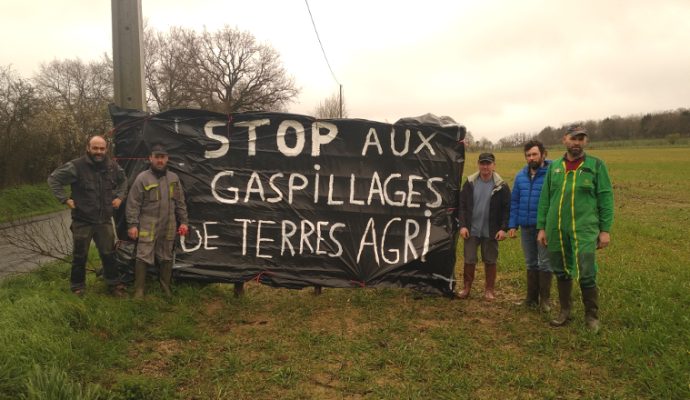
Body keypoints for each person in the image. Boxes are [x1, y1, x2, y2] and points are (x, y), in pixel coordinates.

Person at [537, 124, 614, 332]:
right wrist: (542, 228)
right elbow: (545, 199)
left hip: (585, 228)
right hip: (556, 229)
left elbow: (605, 197)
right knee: (561, 270)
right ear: (565, 140)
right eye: (573, 138)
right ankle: (565, 311)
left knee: (586, 271)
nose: (577, 143)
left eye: (581, 139)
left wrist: (605, 230)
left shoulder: (596, 166)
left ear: (585, 142)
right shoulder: (554, 168)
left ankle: (591, 317)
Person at [47, 135, 128, 297]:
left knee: (109, 254)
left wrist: (119, 197)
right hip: (82, 221)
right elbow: (53, 179)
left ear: (106, 149)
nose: (99, 151)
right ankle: (77, 288)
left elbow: (123, 180)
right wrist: (65, 199)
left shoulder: (112, 166)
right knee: (79, 256)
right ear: (88, 148)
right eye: (95, 148)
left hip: (104, 220)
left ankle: (114, 285)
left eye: (102, 148)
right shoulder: (76, 166)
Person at [126, 144, 189, 298]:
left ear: (167, 159)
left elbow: (180, 202)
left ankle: (165, 286)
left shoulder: (174, 178)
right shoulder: (142, 178)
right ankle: (139, 290)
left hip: (169, 224)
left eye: (163, 157)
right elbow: (133, 203)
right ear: (150, 158)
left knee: (167, 255)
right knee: (143, 255)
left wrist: (184, 222)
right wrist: (132, 225)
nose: (160, 161)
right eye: (157, 157)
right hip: (148, 223)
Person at [457, 152, 511, 300]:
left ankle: (489, 290)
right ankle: (466, 288)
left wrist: (503, 228)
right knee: (469, 259)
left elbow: (507, 209)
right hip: (471, 229)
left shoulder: (502, 186)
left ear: (494, 165)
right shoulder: (469, 183)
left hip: (491, 231)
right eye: (482, 163)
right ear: (478, 165)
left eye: (488, 163)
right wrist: (462, 225)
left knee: (490, 260)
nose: (485, 166)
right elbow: (461, 206)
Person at [508, 140, 553, 312]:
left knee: (545, 262)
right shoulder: (520, 176)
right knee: (530, 262)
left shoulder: (551, 174)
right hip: (526, 226)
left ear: (543, 154)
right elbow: (515, 202)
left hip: (543, 227)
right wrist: (512, 225)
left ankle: (545, 301)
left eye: (534, 154)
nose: (531, 158)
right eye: (528, 155)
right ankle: (531, 299)